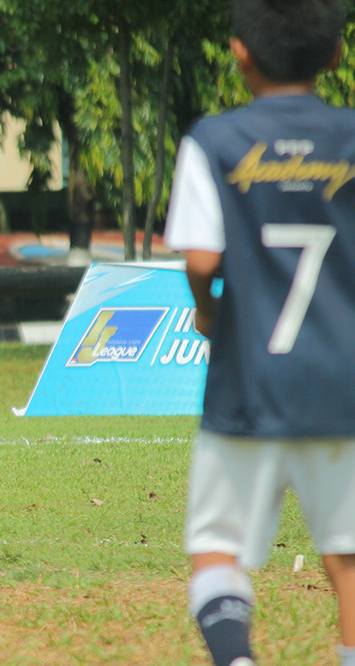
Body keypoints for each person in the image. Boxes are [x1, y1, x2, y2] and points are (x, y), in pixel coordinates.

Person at [164, 0, 355, 663]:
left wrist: (207, 312)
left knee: (217, 545)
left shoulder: (213, 140)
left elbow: (202, 260)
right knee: (348, 558)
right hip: (343, 382)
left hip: (248, 380)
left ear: (239, 51)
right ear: (334, 56)